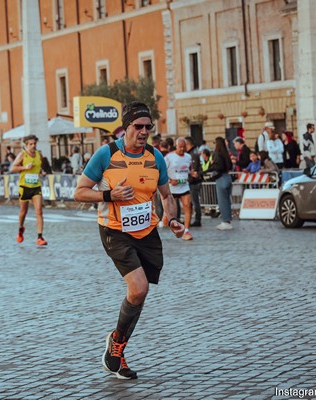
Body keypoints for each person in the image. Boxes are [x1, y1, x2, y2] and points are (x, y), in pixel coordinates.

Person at [74, 101, 185, 380]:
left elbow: (167, 196)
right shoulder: (106, 154)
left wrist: (171, 220)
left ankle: (116, 348)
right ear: (126, 128)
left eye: (148, 126)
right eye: (139, 126)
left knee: (140, 293)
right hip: (114, 230)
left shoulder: (155, 157)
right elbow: (80, 192)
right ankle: (116, 347)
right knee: (138, 288)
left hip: (147, 232)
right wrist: (109, 195)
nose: (144, 131)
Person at [10, 134, 48, 247]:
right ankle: (21, 229)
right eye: (31, 144)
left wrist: (42, 172)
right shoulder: (22, 155)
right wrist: (24, 167)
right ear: (26, 145)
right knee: (23, 212)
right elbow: (12, 168)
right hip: (24, 187)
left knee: (39, 211)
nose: (33, 146)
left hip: (36, 186)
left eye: (34, 144)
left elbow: (38, 167)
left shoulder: (39, 155)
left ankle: (40, 237)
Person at [165, 137, 194, 240]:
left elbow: (190, 169)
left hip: (184, 186)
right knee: (171, 213)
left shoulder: (188, 157)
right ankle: (171, 226)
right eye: (180, 147)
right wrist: (170, 180)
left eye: (184, 147)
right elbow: (162, 170)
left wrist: (193, 173)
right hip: (172, 188)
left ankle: (186, 231)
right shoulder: (169, 157)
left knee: (187, 207)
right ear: (176, 146)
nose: (182, 149)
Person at [208, 137, 234, 230]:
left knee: (222, 201)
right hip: (227, 177)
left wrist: (211, 169)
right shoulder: (226, 153)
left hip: (221, 178)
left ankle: (225, 221)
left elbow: (218, 167)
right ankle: (227, 220)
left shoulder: (218, 154)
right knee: (227, 200)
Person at [185, 136, 202, 227]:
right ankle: (192, 218)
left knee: (195, 201)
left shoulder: (192, 154)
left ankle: (197, 219)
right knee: (191, 202)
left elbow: (194, 170)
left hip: (194, 182)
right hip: (191, 181)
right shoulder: (191, 153)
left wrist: (190, 179)